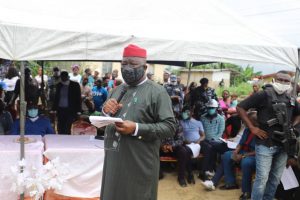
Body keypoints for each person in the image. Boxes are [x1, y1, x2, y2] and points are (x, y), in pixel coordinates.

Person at [101, 44, 176, 200]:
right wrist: (105, 111)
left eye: (133, 64)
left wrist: (136, 128)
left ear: (145, 67)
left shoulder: (157, 92)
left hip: (139, 163)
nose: (127, 68)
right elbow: (106, 119)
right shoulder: (117, 89)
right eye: (124, 64)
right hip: (114, 160)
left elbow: (169, 127)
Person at [237, 70, 300, 200]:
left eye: (286, 81)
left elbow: (298, 113)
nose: (283, 83)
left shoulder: (291, 99)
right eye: (280, 80)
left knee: (275, 178)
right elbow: (240, 107)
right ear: (274, 80)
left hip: (283, 145)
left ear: (290, 83)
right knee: (262, 179)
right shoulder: (264, 95)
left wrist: (292, 126)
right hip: (265, 144)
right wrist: (252, 127)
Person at [202, 111, 257, 200]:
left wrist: (242, 156)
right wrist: (235, 152)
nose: (245, 122)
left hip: (253, 155)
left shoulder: (260, 132)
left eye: (248, 120)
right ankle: (231, 183)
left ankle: (246, 191)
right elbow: (240, 143)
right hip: (243, 151)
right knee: (227, 155)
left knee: (246, 162)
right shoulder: (247, 130)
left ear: (254, 121)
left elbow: (259, 151)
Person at [199, 99, 225, 180]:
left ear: (216, 108)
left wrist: (214, 139)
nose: (211, 109)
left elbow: (220, 132)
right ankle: (205, 171)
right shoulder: (202, 117)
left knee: (212, 147)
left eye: (212, 108)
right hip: (204, 140)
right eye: (209, 108)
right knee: (209, 147)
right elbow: (201, 130)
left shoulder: (221, 119)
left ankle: (210, 169)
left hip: (215, 140)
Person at [180, 106, 205, 185]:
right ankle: (190, 174)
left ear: (191, 113)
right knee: (186, 151)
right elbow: (178, 135)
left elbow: (203, 135)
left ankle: (198, 173)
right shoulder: (180, 122)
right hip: (185, 144)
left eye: (187, 112)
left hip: (196, 144)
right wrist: (184, 140)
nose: (185, 114)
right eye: (184, 112)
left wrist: (199, 141)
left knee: (187, 151)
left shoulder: (198, 122)